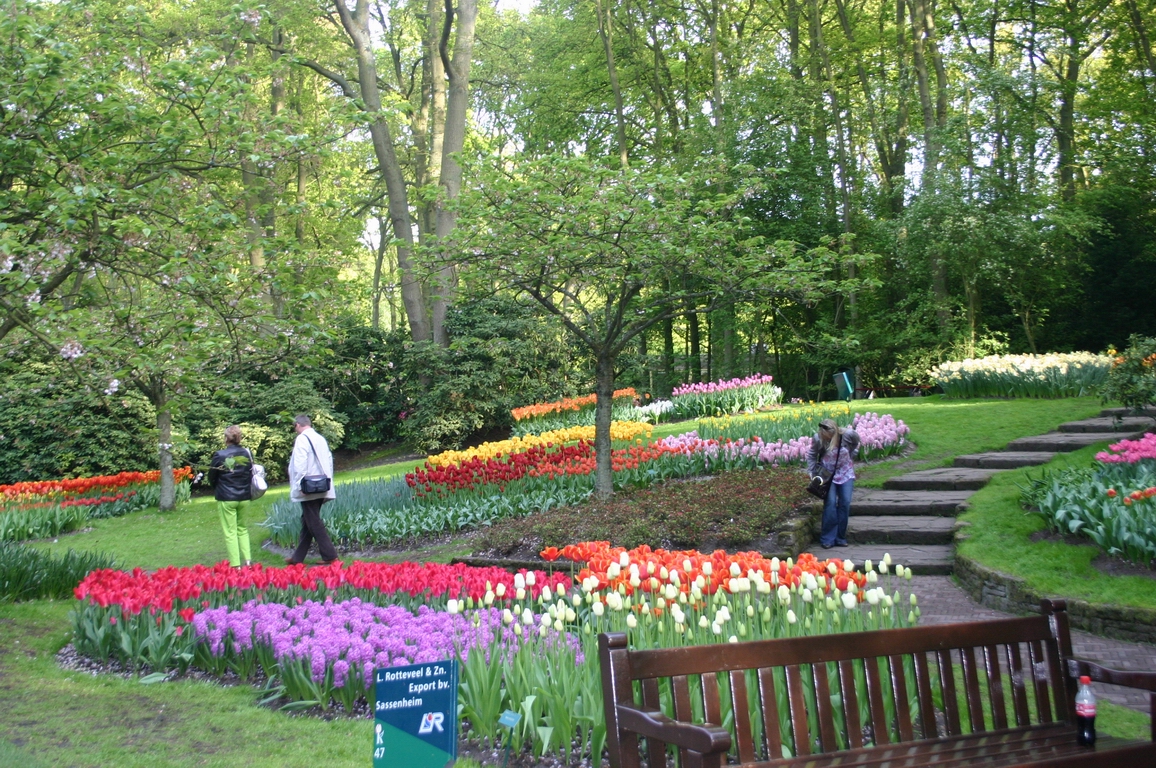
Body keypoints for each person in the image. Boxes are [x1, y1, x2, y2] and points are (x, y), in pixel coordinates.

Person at [286, 414, 338, 565]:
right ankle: (298, 557)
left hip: (308, 486)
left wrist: (299, 484)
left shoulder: (302, 439)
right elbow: (329, 460)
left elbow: (300, 464)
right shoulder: (320, 438)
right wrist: (328, 480)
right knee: (307, 520)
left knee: (313, 521)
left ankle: (330, 555)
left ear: (298, 425)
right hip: (322, 484)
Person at [808, 417, 860, 549]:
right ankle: (827, 538)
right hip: (827, 475)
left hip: (846, 472)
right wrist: (812, 473)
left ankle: (840, 537)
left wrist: (852, 456)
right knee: (830, 503)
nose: (827, 439)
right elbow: (812, 455)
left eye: (829, 437)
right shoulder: (818, 438)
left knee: (845, 503)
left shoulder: (848, 435)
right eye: (824, 437)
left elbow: (856, 444)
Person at [207, 424, 253, 568]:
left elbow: (212, 476)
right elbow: (250, 473)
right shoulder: (247, 453)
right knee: (242, 529)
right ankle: (248, 560)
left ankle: (235, 564)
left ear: (226, 438)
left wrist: (217, 487)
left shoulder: (220, 455)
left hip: (227, 497)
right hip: (244, 496)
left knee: (230, 532)